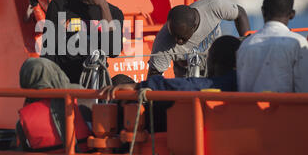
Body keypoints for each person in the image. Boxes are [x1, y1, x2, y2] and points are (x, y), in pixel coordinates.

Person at [41, 0, 124, 84]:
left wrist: (103, 6)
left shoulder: (113, 13)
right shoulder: (59, 5)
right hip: (64, 82)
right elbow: (48, 50)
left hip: (95, 82)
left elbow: (113, 50)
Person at [100, 35, 241, 101]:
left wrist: (140, 86)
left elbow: (188, 86)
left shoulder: (218, 85)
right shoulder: (245, 81)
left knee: (119, 80)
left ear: (212, 61)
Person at [148, 0, 250, 78]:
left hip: (217, 67)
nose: (177, 41)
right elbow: (154, 76)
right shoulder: (163, 43)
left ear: (194, 26)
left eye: (181, 37)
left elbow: (240, 13)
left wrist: (248, 44)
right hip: (188, 80)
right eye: (174, 35)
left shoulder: (213, 7)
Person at [236, 0, 308, 92]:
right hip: (287, 108)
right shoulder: (299, 44)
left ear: (262, 11)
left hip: (251, 108)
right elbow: (304, 90)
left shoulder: (246, 45)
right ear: (292, 14)